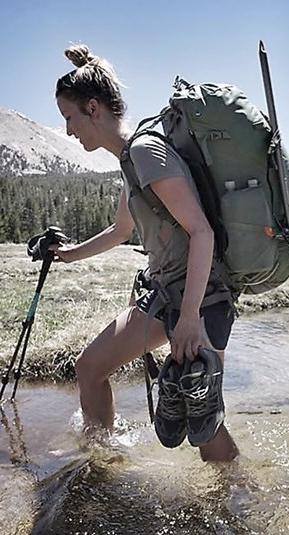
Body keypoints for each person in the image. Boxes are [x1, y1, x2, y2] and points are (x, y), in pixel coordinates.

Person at [50, 44, 238, 463]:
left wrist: (189, 318)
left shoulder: (144, 152)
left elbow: (201, 231)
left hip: (200, 298)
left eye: (69, 117)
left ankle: (236, 502)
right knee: (90, 368)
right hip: (163, 295)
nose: (68, 130)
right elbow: (121, 231)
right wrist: (66, 256)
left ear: (93, 108)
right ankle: (103, 460)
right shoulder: (131, 162)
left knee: (204, 424)